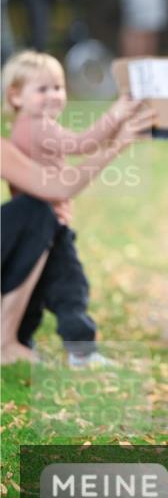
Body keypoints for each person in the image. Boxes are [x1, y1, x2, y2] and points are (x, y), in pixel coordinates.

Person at [2, 50, 143, 365]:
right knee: (70, 289)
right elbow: (83, 144)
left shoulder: (24, 128)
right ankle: (81, 351)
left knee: (42, 290)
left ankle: (22, 341)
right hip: (50, 225)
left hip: (40, 230)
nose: (53, 96)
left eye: (58, 87)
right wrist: (117, 114)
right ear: (15, 96)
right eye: (42, 89)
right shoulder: (37, 126)